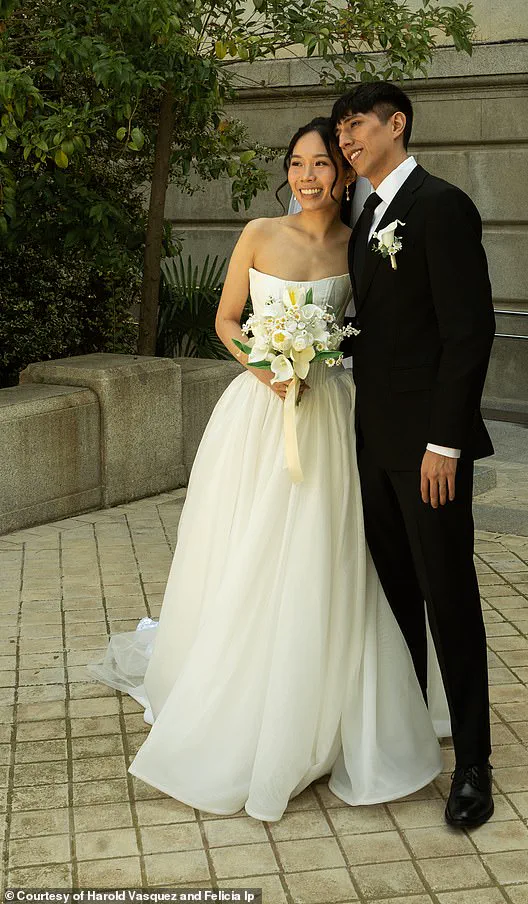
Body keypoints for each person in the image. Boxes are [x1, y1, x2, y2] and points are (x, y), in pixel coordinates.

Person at [88, 117, 449, 823]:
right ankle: (240, 695)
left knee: (328, 554)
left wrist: (330, 366)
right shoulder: (258, 233)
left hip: (331, 415)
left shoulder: (359, 244)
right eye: (296, 164)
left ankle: (322, 707)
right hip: (259, 415)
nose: (307, 177)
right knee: (248, 549)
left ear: (343, 173)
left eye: (322, 164)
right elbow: (227, 320)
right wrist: (269, 369)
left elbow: (376, 330)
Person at [331, 83, 496, 828]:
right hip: (373, 442)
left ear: (396, 125)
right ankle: (407, 737)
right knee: (396, 594)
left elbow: (469, 332)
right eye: (341, 129)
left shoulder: (441, 206)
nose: (346, 140)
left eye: (356, 125)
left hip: (429, 451)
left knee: (447, 596)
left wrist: (444, 443)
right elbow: (383, 327)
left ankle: (475, 765)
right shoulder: (364, 216)